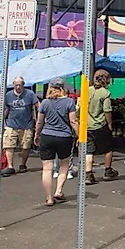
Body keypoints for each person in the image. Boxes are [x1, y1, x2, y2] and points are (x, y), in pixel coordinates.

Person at [34, 78, 79, 206]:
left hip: (47, 136)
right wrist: (79, 136)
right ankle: (58, 191)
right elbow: (73, 122)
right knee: (64, 165)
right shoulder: (69, 102)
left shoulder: (45, 103)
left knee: (47, 169)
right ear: (63, 88)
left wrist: (37, 135)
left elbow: (40, 122)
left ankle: (49, 198)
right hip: (64, 137)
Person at [80, 69, 118, 185]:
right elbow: (107, 110)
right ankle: (108, 171)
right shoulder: (105, 93)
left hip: (88, 126)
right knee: (108, 148)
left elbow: (81, 107)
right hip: (100, 125)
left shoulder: (87, 91)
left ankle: (89, 174)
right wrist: (110, 123)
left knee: (89, 151)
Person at [1, 76, 40, 177]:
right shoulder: (8, 95)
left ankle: (23, 164)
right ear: (13, 85)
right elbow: (6, 109)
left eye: (20, 85)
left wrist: (39, 121)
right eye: (16, 85)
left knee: (25, 147)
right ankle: (10, 166)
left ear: (23, 85)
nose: (18, 87)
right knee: (8, 145)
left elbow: (38, 106)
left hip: (26, 125)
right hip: (11, 124)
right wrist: (1, 122)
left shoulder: (30, 94)